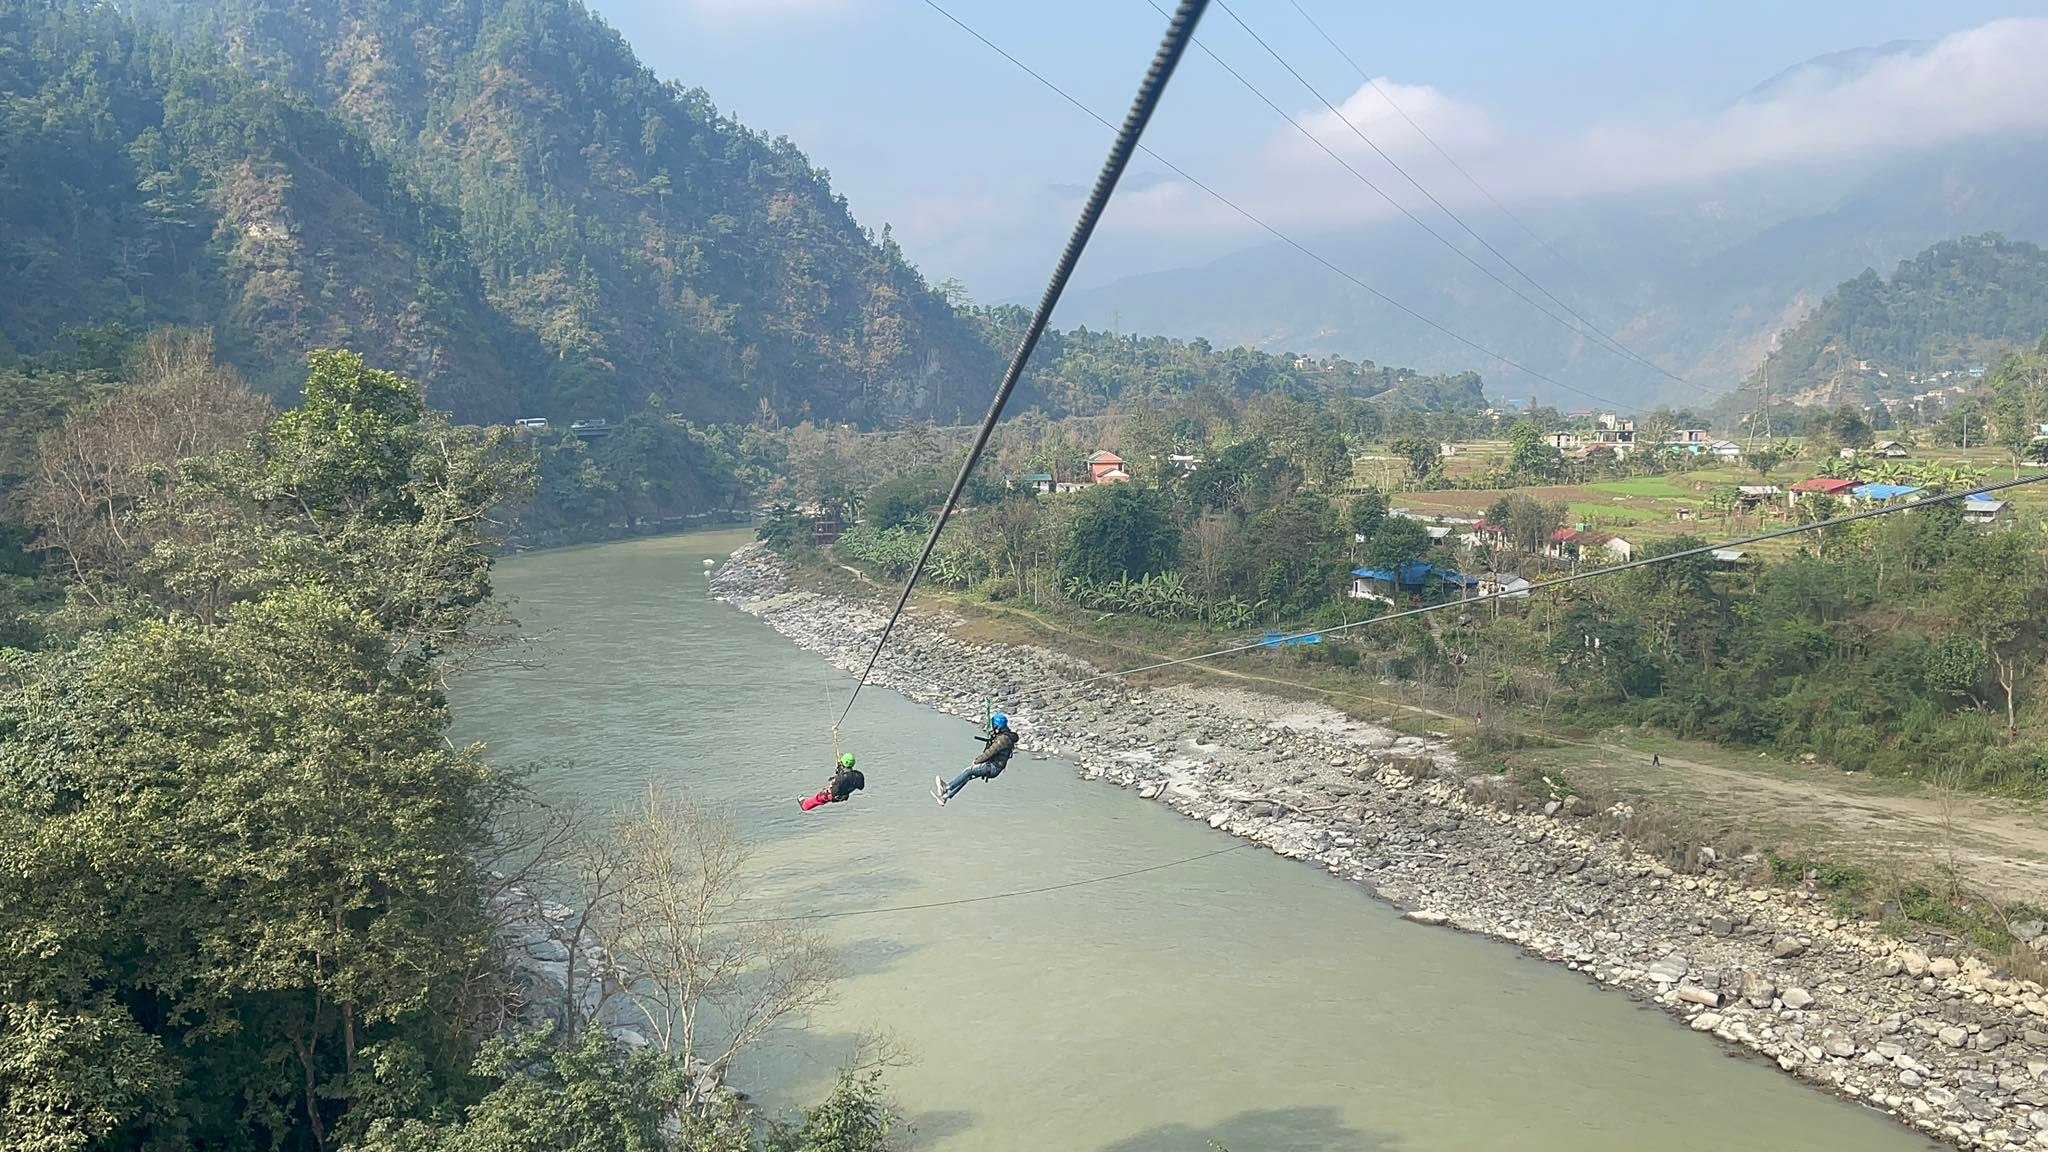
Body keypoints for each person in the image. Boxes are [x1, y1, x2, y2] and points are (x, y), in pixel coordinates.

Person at [935, 712, 1017, 806]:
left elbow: (989, 753)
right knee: (967, 777)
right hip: (994, 766)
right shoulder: (1004, 736)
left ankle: (947, 787)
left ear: (997, 726)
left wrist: (976, 761)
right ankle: (945, 797)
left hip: (993, 767)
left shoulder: (1002, 740)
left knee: (969, 771)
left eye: (993, 725)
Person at [801, 753, 865, 812]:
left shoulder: (841, 778)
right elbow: (861, 786)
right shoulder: (859, 775)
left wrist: (838, 777)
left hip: (836, 796)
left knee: (819, 798)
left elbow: (834, 792)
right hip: (845, 795)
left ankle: (805, 805)